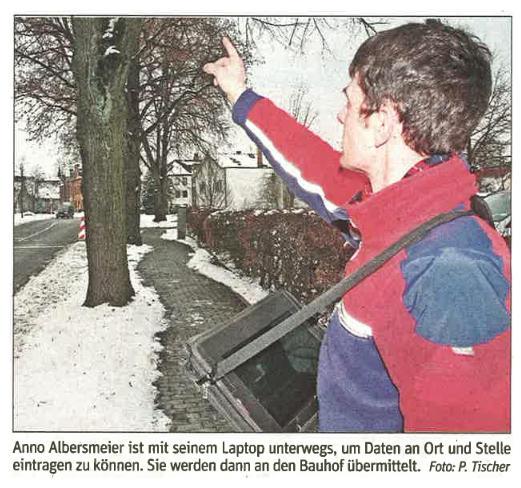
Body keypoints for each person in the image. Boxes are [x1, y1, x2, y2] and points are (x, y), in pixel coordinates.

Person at [203, 20, 511, 433]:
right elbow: (312, 166)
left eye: (349, 101)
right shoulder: (402, 211)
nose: (339, 114)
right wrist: (240, 95)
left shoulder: (450, 271)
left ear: (382, 122)